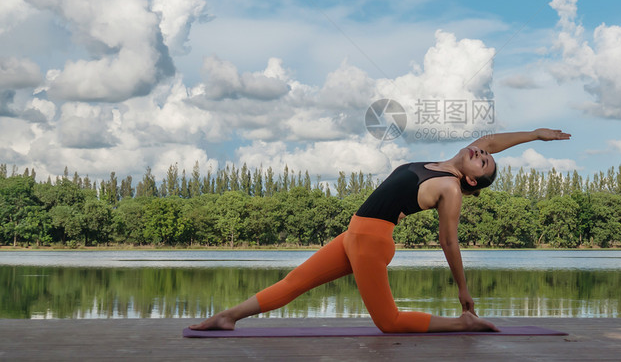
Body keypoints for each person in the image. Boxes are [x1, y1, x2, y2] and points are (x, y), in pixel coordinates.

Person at [189, 128, 571, 333]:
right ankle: (228, 317)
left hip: (372, 242)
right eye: (484, 155)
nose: (483, 154)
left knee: (388, 323)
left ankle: (461, 323)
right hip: (352, 235)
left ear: (472, 183)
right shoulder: (444, 162)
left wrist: (463, 289)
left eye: (484, 163)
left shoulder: (451, 187)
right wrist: (536, 135)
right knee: (292, 284)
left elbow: (449, 241)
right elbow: (491, 140)